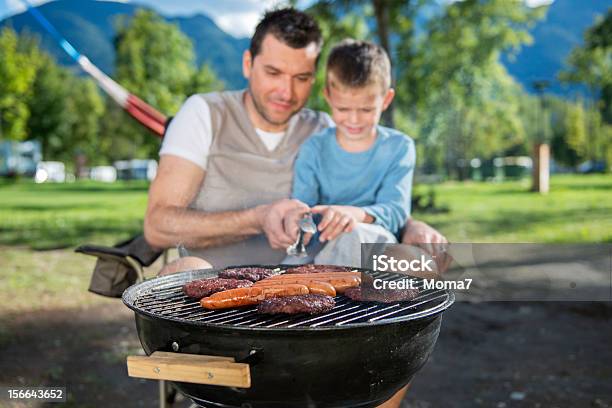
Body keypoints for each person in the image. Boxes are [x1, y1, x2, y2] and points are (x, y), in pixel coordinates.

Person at [144, 10, 447, 406]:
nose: (286, 91)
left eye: (301, 77)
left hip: (314, 288)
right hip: (220, 284)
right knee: (186, 271)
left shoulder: (328, 126)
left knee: (409, 270)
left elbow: (363, 201)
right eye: (273, 72)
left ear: (318, 82)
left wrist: (412, 224)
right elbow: (158, 225)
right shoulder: (205, 114)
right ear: (248, 64)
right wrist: (257, 217)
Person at [284, 39, 414, 267]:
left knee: (357, 239)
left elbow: (396, 211)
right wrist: (300, 221)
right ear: (329, 98)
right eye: (343, 109)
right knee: (288, 267)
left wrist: (352, 215)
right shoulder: (314, 148)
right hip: (321, 244)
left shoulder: (398, 147)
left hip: (373, 244)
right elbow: (303, 207)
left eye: (366, 109)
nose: (354, 120)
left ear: (386, 100)